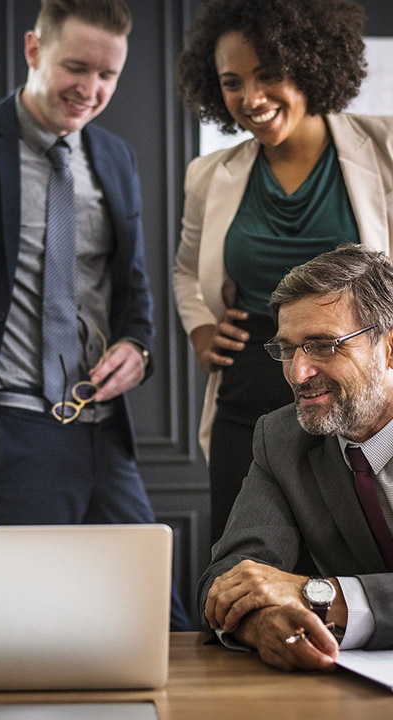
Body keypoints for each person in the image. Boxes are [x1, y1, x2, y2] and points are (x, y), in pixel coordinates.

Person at [0, 0, 188, 631]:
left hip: (104, 429)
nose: (91, 90)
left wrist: (138, 348)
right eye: (76, 67)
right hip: (7, 425)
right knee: (28, 621)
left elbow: (132, 286)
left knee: (160, 618)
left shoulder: (115, 157)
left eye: (108, 75)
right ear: (34, 50)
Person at [173, 0, 393, 545]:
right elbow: (185, 272)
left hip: (357, 375)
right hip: (251, 380)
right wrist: (202, 329)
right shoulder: (209, 175)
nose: (251, 99)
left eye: (270, 74)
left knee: (358, 543)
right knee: (243, 554)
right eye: (231, 82)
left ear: (314, 63)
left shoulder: (385, 149)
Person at [198, 243, 393, 671]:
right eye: (289, 349)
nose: (298, 372)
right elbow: (228, 579)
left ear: (390, 348)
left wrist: (318, 595)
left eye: (323, 345)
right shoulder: (282, 437)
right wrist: (265, 622)